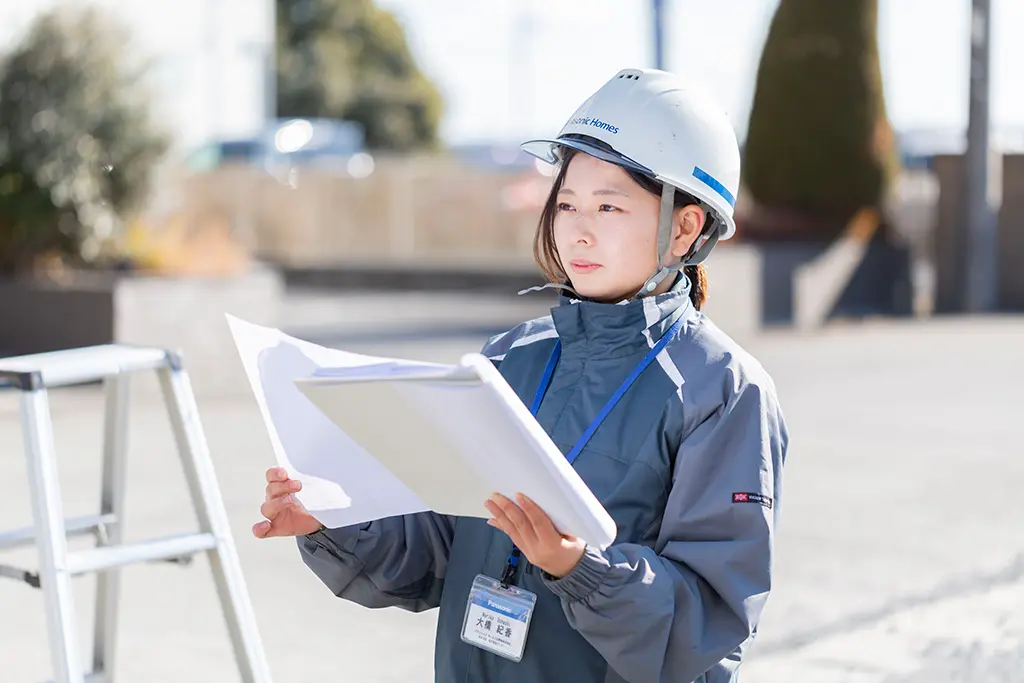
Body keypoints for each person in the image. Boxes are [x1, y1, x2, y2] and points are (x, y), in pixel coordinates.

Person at [253, 67, 789, 683]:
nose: (578, 229)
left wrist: (580, 569)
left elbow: (709, 623)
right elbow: (435, 552)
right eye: (566, 204)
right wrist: (335, 519)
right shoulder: (511, 358)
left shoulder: (722, 391)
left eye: (609, 206)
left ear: (686, 227)